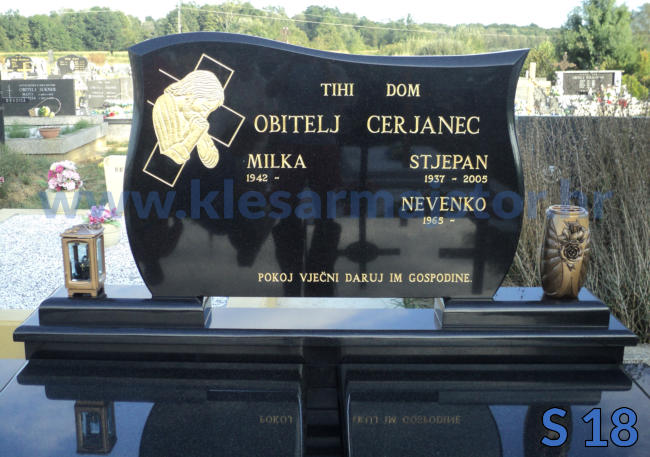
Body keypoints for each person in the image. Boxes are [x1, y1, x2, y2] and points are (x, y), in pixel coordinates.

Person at [152, 70, 224, 168]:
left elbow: (211, 161)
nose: (205, 114)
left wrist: (201, 135)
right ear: (192, 94)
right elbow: (173, 157)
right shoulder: (166, 103)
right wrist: (196, 133)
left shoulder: (194, 116)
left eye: (209, 111)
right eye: (205, 107)